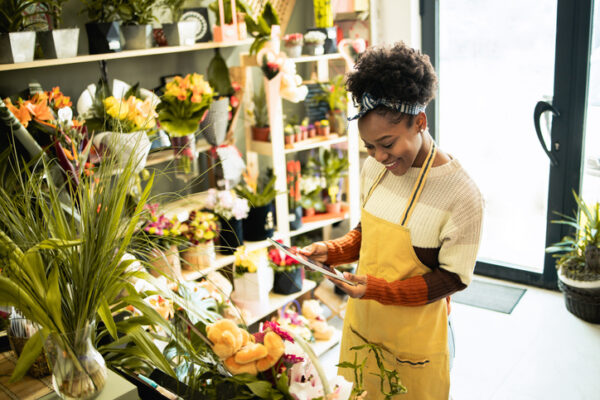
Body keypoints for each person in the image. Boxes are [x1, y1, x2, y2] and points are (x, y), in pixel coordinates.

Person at [300, 42, 484, 399]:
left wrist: (378, 290)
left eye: (387, 143)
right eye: (369, 146)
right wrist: (331, 251)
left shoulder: (461, 196)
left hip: (415, 342)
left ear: (420, 121)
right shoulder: (375, 171)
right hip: (362, 328)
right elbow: (367, 232)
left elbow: (452, 279)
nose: (379, 157)